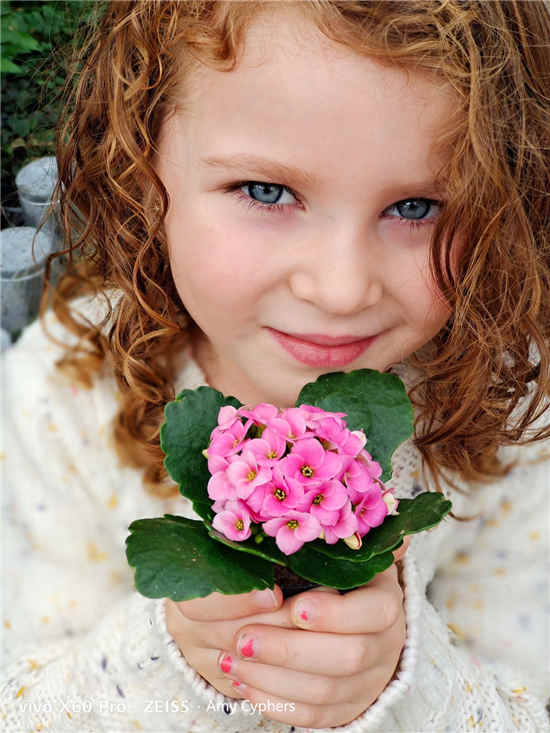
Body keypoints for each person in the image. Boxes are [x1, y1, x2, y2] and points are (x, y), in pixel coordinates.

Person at [1, 1, 549, 731]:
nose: (341, 289)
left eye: (418, 207)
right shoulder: (62, 392)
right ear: (140, 169)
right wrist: (173, 659)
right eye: (267, 191)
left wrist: (404, 674)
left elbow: (526, 707)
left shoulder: (514, 411)